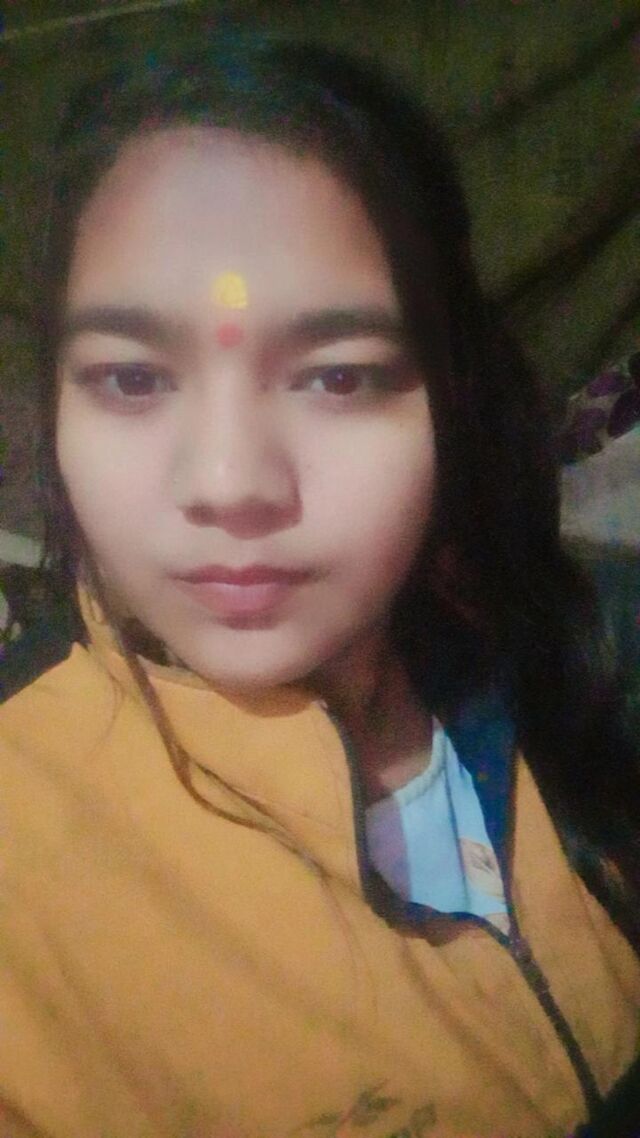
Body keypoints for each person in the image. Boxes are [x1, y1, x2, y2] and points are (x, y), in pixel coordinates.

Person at [1, 31, 639, 1138]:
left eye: (338, 377)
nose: (229, 484)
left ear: (448, 394)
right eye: (134, 378)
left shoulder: (583, 646)